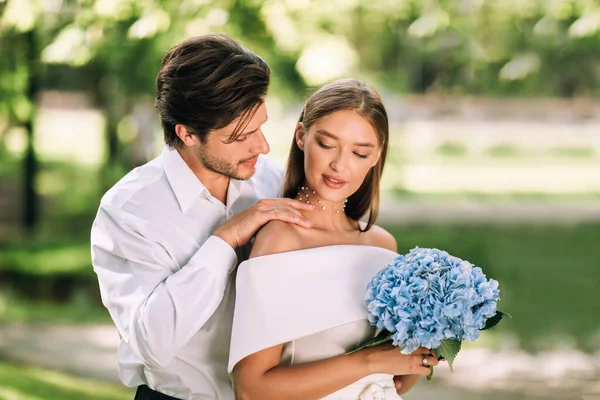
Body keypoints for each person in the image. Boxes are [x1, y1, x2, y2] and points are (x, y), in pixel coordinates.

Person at [90, 34, 315, 399]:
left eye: (260, 126)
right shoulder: (128, 212)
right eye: (241, 136)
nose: (263, 145)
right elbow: (153, 343)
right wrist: (224, 240)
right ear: (187, 133)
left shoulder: (271, 180)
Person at [229, 79, 440, 400]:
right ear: (302, 136)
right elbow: (251, 389)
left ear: (376, 156)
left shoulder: (382, 246)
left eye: (359, 152)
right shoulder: (281, 238)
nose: (340, 165)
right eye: (327, 145)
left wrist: (431, 338)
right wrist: (367, 361)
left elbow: (397, 380)